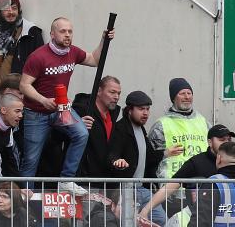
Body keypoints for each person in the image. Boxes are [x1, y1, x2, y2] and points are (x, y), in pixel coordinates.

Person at [18, 17, 114, 193]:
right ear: (52, 34)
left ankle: (66, 180)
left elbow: (94, 60)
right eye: (63, 31)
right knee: (31, 158)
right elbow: (24, 85)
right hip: (36, 112)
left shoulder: (73, 52)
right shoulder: (38, 56)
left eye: (70, 31)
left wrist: (103, 40)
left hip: (61, 109)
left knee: (81, 134)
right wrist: (43, 100)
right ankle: (25, 196)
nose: (67, 35)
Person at [137, 124, 235, 222]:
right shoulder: (197, 162)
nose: (226, 143)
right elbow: (169, 187)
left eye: (229, 140)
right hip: (203, 218)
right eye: (222, 140)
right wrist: (145, 210)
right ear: (210, 142)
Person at [107, 90, 165, 225]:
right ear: (129, 110)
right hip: (126, 190)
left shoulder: (141, 129)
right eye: (141, 109)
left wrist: (166, 153)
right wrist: (116, 161)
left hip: (142, 188)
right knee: (129, 222)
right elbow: (112, 154)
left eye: (147, 109)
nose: (145, 113)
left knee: (160, 219)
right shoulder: (121, 129)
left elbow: (148, 156)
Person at [147, 77, 210, 181]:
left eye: (189, 93)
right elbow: (151, 158)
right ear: (173, 98)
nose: (187, 97)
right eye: (182, 93)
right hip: (172, 185)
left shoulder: (203, 122)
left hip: (201, 183)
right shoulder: (161, 125)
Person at [0, 0, 43, 95]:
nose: (11, 12)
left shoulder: (31, 32)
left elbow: (41, 64)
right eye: (6, 9)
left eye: (14, 8)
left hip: (18, 94)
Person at [74, 75, 122, 178]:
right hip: (82, 179)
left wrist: (115, 160)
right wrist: (76, 125)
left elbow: (109, 146)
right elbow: (59, 136)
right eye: (112, 92)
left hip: (103, 179)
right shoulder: (82, 109)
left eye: (118, 93)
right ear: (99, 91)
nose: (116, 97)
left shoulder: (113, 115)